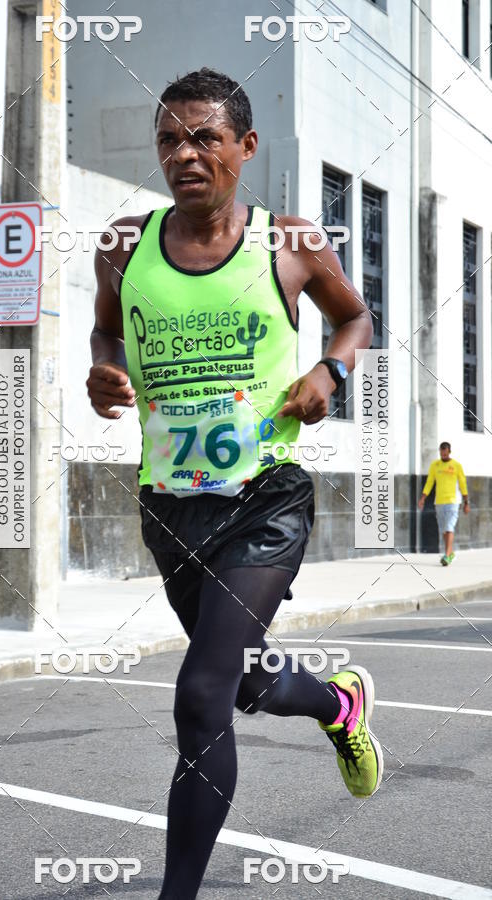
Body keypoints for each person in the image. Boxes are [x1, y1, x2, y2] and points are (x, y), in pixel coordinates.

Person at [86, 68, 383, 900]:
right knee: (243, 680)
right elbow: (107, 337)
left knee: (202, 690)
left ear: (245, 148)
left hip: (265, 500)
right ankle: (337, 704)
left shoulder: (288, 244)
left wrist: (330, 369)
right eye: (170, 139)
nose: (184, 153)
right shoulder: (121, 246)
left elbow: (356, 316)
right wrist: (102, 375)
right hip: (170, 505)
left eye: (204, 137)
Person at [418, 441, 469, 565]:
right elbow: (429, 482)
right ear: (440, 452)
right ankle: (450, 553)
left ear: (449, 452)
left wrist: (466, 502)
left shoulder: (456, 465)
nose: (443, 456)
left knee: (449, 527)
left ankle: (446, 556)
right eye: (442, 454)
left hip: (453, 502)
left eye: (445, 453)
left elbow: (463, 484)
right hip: (439, 502)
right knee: (444, 530)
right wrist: (423, 498)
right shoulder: (435, 465)